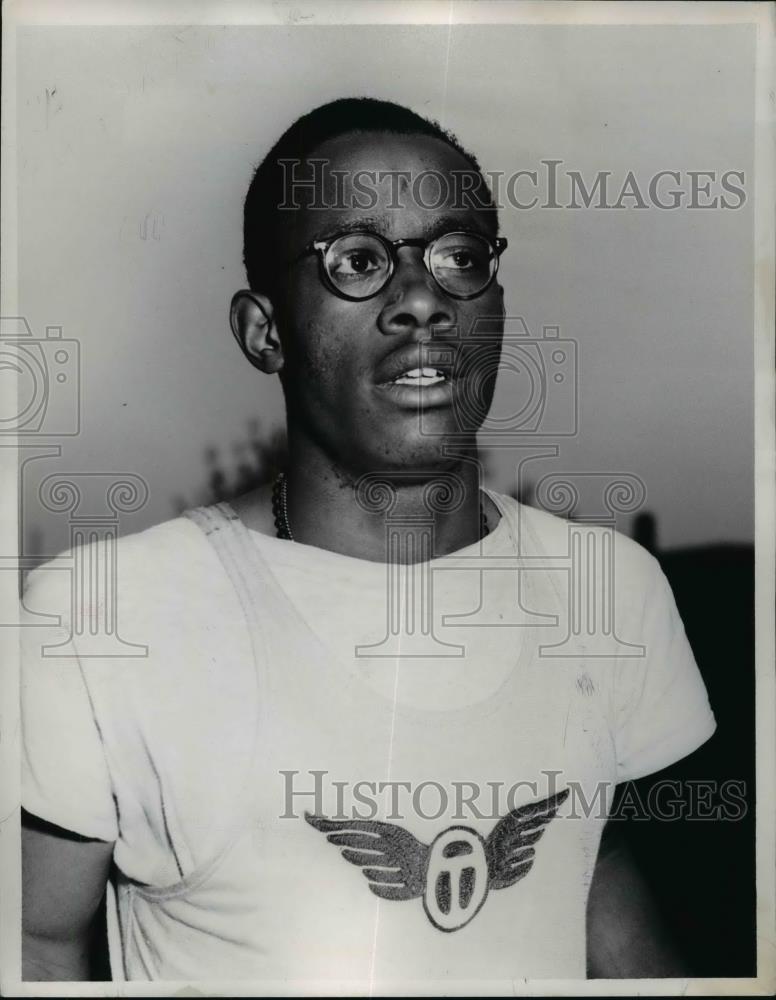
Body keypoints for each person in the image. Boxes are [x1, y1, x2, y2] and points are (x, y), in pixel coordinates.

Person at [20, 98, 716, 985]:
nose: (422, 298)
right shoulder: (100, 620)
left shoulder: (610, 589)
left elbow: (589, 875)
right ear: (264, 331)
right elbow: (33, 943)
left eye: (458, 256)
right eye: (358, 260)